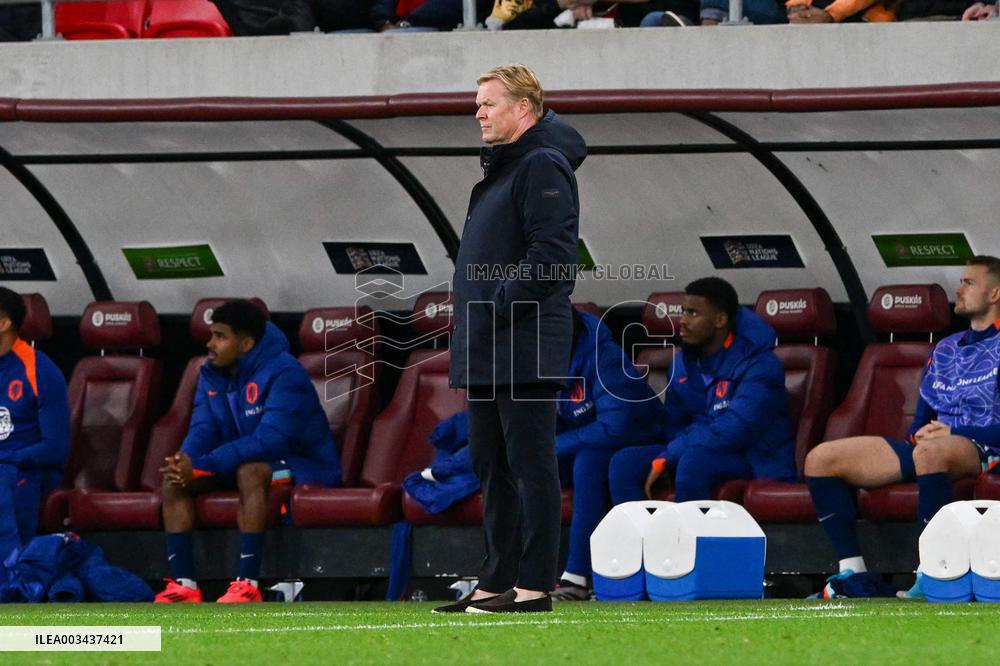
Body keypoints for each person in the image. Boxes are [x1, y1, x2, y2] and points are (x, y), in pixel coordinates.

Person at [436, 64, 586, 614]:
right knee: (489, 464)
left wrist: (496, 307)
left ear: (523, 108)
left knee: (530, 465)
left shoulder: (542, 164)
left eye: (488, 103)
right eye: (477, 103)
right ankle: (495, 580)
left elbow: (552, 258)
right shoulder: (506, 168)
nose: (478, 112)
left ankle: (534, 585)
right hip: (488, 344)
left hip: (521, 342)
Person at [805, 256, 1000, 599]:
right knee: (822, 458)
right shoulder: (944, 349)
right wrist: (919, 434)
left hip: (985, 447)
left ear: (995, 293)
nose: (959, 289)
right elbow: (922, 418)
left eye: (969, 283)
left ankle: (932, 571)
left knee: (930, 452)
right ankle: (853, 571)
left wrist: (953, 435)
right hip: (933, 449)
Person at [154, 300, 341, 604]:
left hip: (301, 466)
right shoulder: (212, 374)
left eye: (220, 336)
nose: (210, 343)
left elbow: (271, 440)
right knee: (174, 480)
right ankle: (183, 585)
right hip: (240, 460)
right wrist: (185, 460)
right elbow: (203, 427)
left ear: (246, 343)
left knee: (251, 472)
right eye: (211, 335)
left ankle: (247, 585)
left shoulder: (285, 371)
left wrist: (206, 465)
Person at [608, 277, 796, 505]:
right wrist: (671, 451)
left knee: (694, 461)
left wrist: (672, 454)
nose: (683, 321)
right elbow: (674, 425)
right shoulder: (680, 364)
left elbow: (736, 430)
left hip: (755, 455)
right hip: (697, 448)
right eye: (683, 312)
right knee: (624, 463)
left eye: (693, 314)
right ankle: (641, 540)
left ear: (720, 319)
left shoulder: (760, 364)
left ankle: (693, 541)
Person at [550, 309, 662, 600]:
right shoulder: (542, 362)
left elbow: (615, 427)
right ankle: (515, 574)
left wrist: (549, 447)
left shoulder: (605, 357)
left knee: (591, 461)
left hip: (641, 440)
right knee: (526, 468)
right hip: (592, 444)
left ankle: (578, 576)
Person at [0, 288, 69, 568]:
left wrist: (9, 458)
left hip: (28, 470)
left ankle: (11, 582)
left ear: (3, 323)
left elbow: (56, 448)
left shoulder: (39, 370)